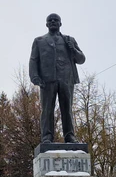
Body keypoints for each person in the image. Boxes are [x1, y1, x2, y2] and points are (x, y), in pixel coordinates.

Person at [29, 13, 86, 143]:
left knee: (67, 109)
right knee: (47, 109)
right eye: (50, 20)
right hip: (47, 80)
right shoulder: (39, 41)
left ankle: (70, 136)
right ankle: (47, 137)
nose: (53, 21)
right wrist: (35, 77)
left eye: (56, 20)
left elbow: (81, 59)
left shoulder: (69, 40)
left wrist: (74, 50)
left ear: (60, 23)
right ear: (46, 24)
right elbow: (33, 60)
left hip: (66, 78)